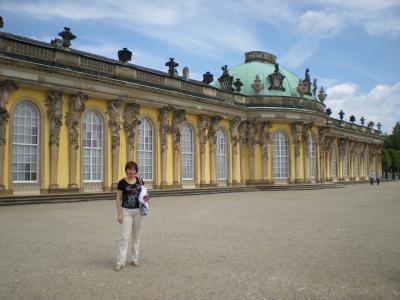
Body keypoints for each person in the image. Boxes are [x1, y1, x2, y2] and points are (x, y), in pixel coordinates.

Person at [114, 161, 149, 271]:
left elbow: (145, 193)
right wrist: (119, 214)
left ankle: (134, 258)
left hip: (138, 211)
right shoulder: (122, 183)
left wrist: (146, 198)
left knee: (136, 236)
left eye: (134, 169)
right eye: (129, 169)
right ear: (126, 170)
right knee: (125, 237)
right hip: (126, 211)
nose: (131, 171)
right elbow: (118, 199)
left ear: (136, 171)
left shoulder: (140, 181)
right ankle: (120, 261)